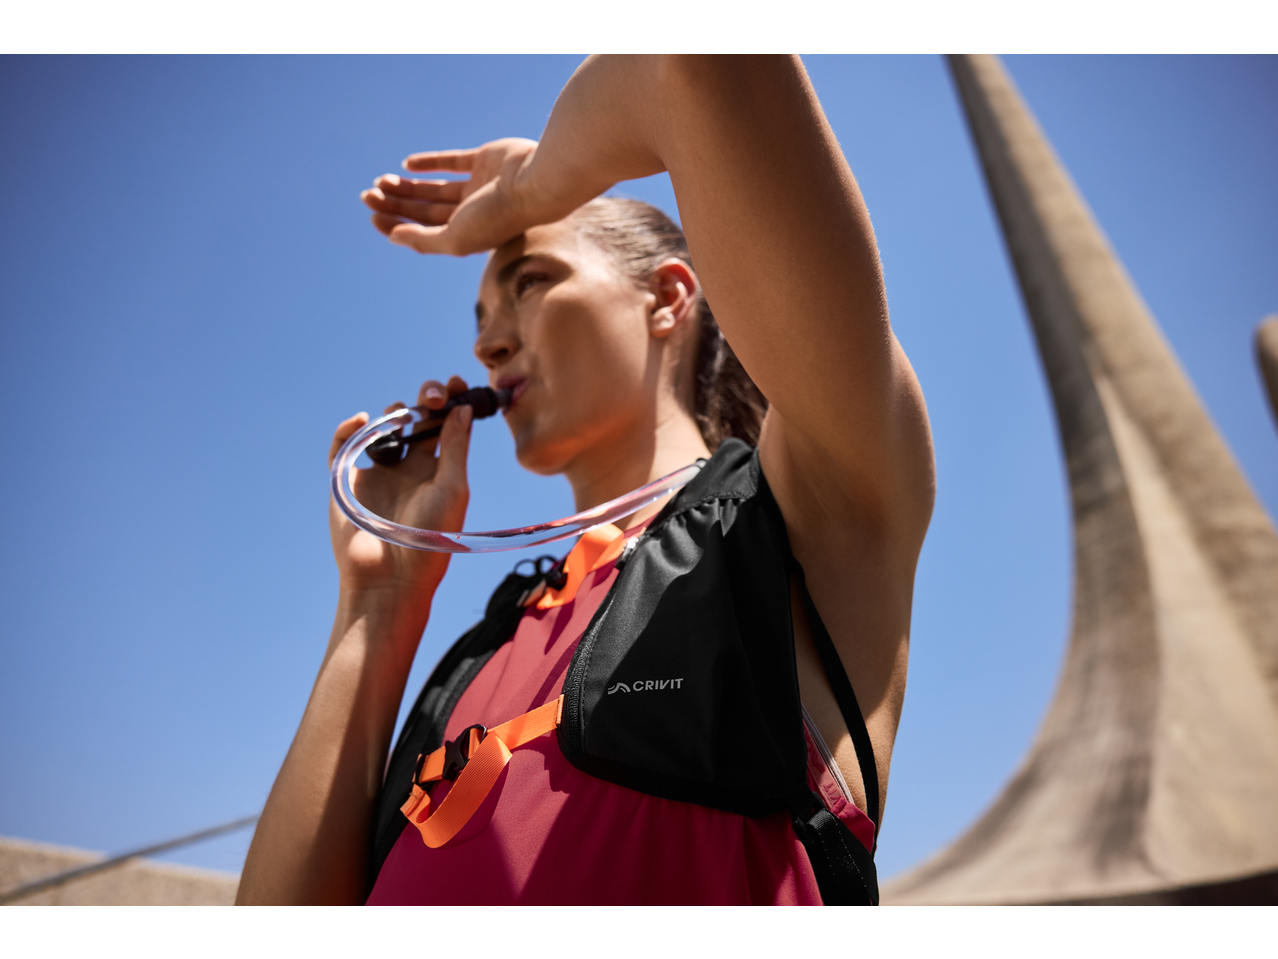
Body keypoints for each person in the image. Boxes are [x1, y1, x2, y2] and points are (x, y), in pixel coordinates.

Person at [237, 55, 934, 906]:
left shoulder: (799, 516)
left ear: (668, 298)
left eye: (529, 282)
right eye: (481, 323)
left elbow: (702, 70)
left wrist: (532, 190)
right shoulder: (485, 648)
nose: (488, 346)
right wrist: (376, 608)